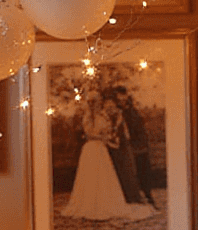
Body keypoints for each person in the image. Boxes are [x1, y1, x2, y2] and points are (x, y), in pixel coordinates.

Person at [60, 92, 153, 221]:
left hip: (102, 149)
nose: (98, 103)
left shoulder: (103, 115)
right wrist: (103, 137)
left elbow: (110, 128)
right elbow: (88, 134)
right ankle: (89, 203)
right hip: (91, 148)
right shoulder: (88, 116)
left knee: (103, 176)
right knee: (91, 177)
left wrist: (111, 135)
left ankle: (105, 201)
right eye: (95, 101)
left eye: (98, 101)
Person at [110, 84, 154, 207]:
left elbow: (139, 126)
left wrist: (143, 143)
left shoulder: (132, 110)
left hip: (139, 145)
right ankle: (130, 197)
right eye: (119, 98)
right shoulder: (115, 111)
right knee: (129, 172)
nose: (122, 100)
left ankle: (148, 195)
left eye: (124, 97)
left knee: (144, 169)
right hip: (124, 146)